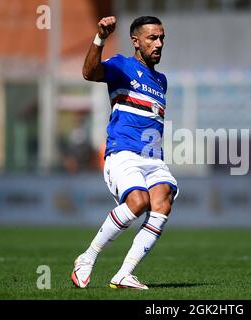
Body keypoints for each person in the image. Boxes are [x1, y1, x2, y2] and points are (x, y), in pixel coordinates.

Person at [71, 16, 178, 290]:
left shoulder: (161, 81)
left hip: (153, 159)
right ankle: (87, 258)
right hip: (123, 153)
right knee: (138, 201)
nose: (159, 43)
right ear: (136, 41)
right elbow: (89, 73)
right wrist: (100, 38)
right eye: (152, 38)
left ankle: (124, 274)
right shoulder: (122, 65)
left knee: (163, 200)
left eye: (162, 38)